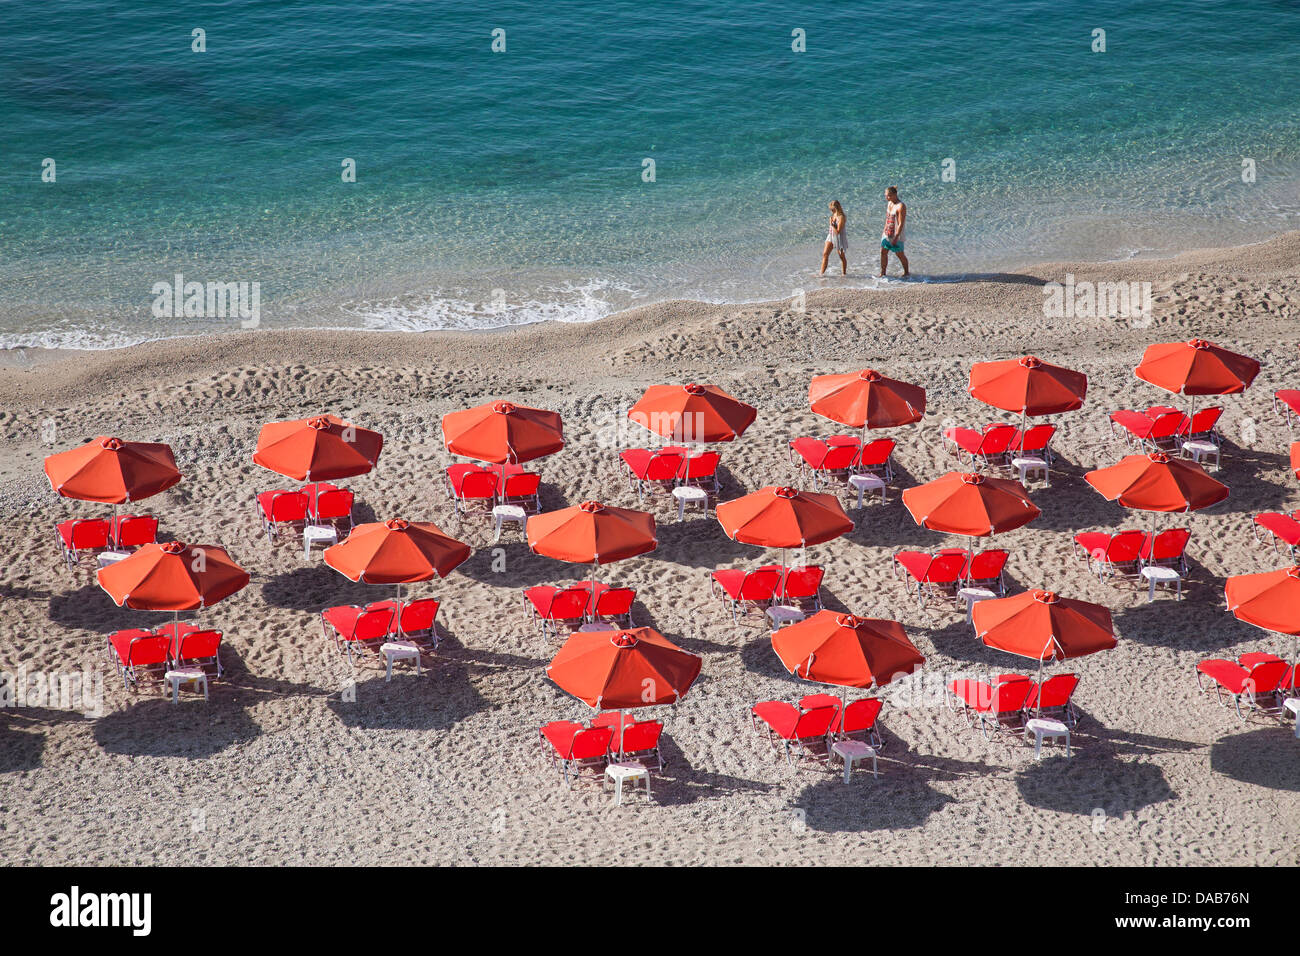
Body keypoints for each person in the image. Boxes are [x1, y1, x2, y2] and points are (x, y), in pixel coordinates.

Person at [879, 186, 909, 277]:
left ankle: (906, 272)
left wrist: (896, 237)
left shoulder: (901, 206)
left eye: (888, 196)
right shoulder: (889, 203)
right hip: (887, 233)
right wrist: (884, 231)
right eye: (886, 196)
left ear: (895, 195)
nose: (886, 198)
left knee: (899, 254)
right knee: (883, 251)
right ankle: (883, 272)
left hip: (896, 235)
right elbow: (887, 218)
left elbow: (900, 223)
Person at [819, 200, 847, 276]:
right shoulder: (833, 215)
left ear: (836, 208)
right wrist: (831, 223)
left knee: (842, 256)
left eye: (832, 209)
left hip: (839, 238)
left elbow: (838, 231)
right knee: (825, 254)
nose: (831, 211)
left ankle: (844, 274)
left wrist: (831, 224)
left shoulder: (841, 217)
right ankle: (821, 274)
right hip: (831, 236)